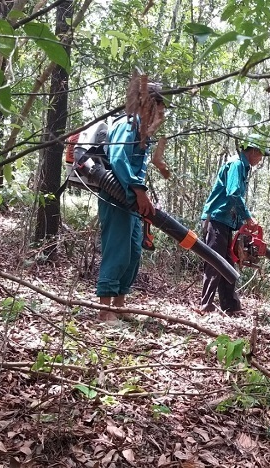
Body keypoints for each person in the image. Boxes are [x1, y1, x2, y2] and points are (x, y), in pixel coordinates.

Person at [97, 83, 165, 322]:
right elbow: (118, 158)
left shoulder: (142, 130)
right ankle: (105, 312)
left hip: (131, 201)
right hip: (116, 196)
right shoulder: (128, 124)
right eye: (158, 106)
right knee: (117, 251)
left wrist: (142, 195)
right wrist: (139, 190)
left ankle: (120, 305)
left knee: (133, 251)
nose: (161, 113)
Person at [199, 134, 269, 315]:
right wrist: (247, 217)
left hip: (226, 222)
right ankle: (205, 305)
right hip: (216, 219)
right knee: (215, 262)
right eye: (260, 155)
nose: (260, 160)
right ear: (253, 151)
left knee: (227, 264)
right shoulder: (237, 165)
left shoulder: (243, 168)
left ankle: (231, 306)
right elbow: (233, 194)